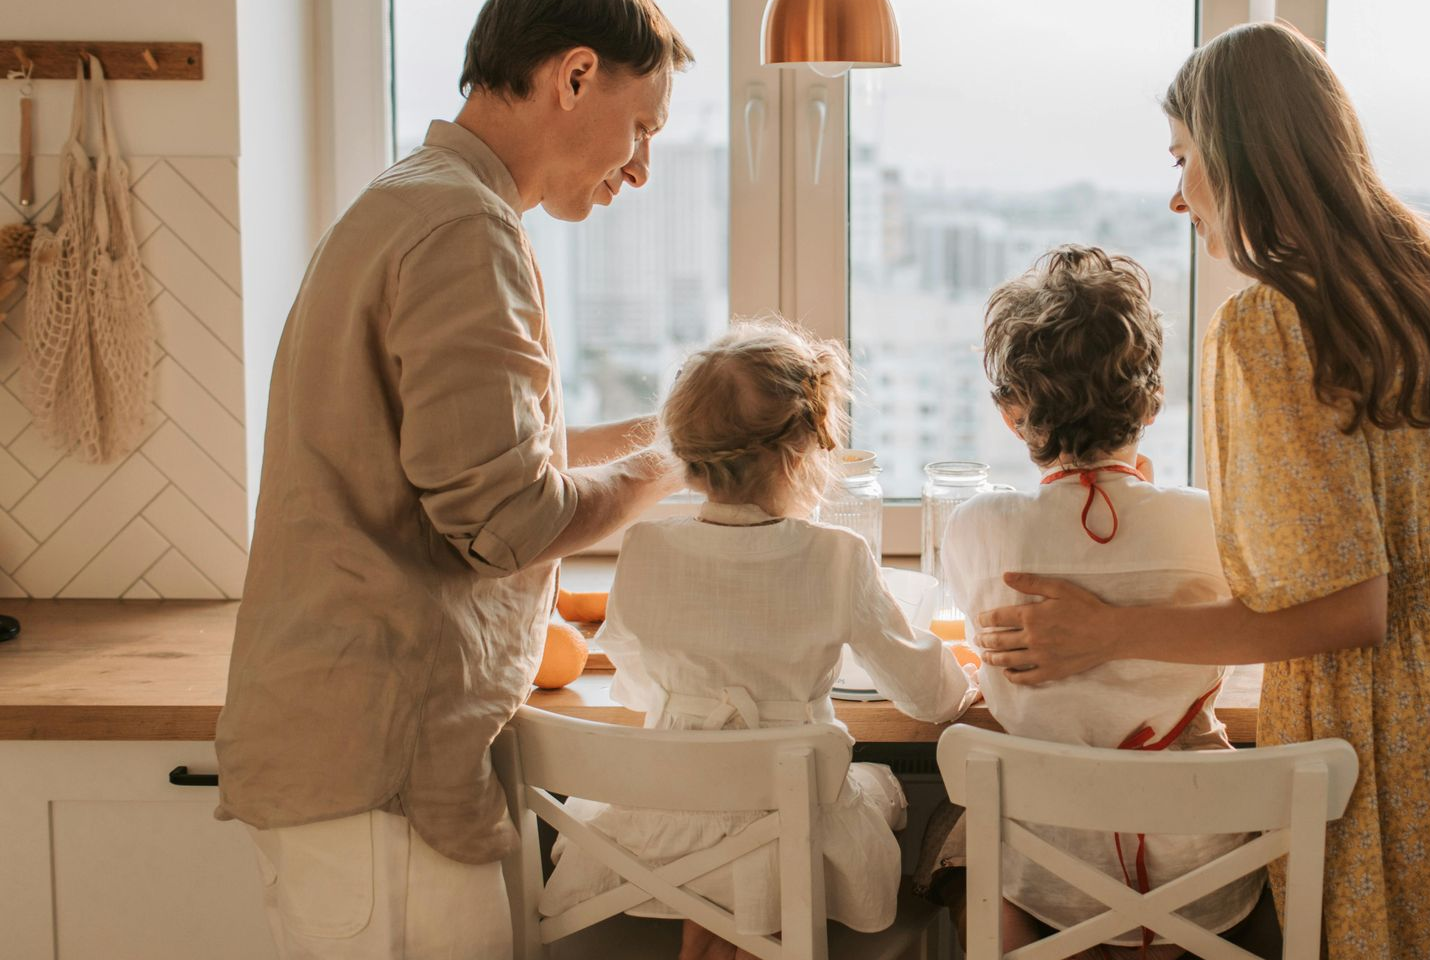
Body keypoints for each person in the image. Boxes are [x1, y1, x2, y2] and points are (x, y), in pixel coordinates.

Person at [973, 21, 1430, 960]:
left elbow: (1349, 609)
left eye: (1185, 161)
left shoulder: (1271, 326)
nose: (1179, 197)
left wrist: (1107, 629)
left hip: (1388, 734)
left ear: (1239, 159)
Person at [214, 2, 692, 956]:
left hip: (362, 749)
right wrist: (673, 464)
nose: (640, 167)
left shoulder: (422, 200)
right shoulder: (462, 229)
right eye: (642, 127)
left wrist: (672, 429)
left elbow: (494, 456)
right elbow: (509, 520)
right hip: (378, 758)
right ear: (576, 75)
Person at [541, 321, 977, 960]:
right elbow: (928, 698)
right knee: (854, 800)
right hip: (793, 841)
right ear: (804, 452)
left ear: (685, 455)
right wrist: (960, 673)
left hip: (657, 843)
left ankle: (714, 937)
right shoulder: (836, 556)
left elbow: (634, 682)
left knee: (727, 822)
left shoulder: (644, 547)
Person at [934, 245, 1260, 958]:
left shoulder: (979, 528)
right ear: (1151, 401)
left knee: (951, 841)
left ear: (1012, 412)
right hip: (1200, 876)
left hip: (1053, 872)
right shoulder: (1208, 520)